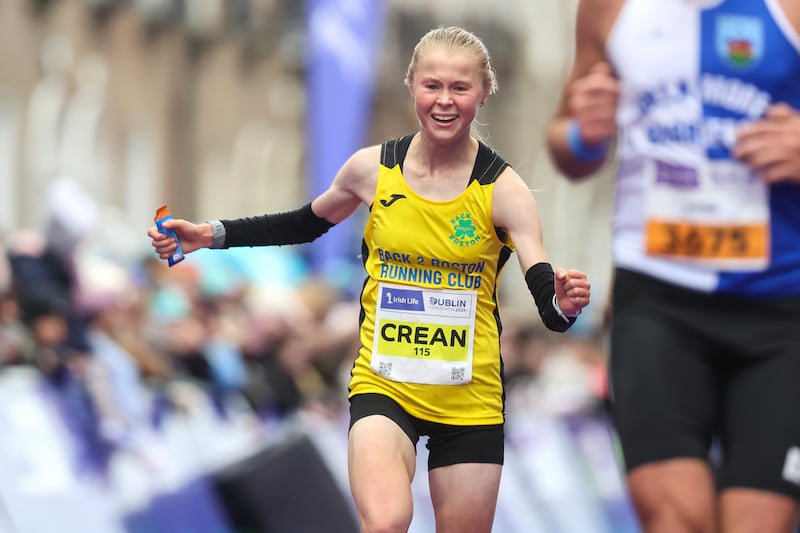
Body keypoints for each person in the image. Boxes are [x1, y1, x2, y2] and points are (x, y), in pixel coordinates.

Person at [149, 26, 591, 533]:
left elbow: (547, 300)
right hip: (385, 385)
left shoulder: (504, 190)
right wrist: (211, 234)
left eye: (460, 88)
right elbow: (303, 223)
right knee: (385, 522)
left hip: (469, 398)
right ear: (411, 87)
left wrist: (564, 304)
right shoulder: (372, 170)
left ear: (484, 92)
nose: (444, 101)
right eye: (432, 86)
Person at [546, 1, 800, 532]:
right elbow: (568, 146)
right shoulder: (609, 7)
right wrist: (585, 135)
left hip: (782, 310)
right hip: (659, 300)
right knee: (672, 519)